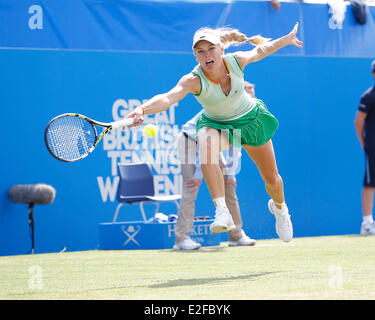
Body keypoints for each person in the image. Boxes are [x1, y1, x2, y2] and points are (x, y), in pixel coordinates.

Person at [126, 23, 303, 242]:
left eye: (211, 48)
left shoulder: (236, 61)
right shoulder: (193, 80)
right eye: (200, 51)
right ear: (195, 55)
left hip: (250, 120)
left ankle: (281, 209)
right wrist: (142, 109)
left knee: (273, 180)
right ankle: (221, 211)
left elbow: (260, 50)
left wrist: (285, 40)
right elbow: (168, 97)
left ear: (221, 48)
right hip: (217, 124)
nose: (207, 55)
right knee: (206, 142)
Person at [174, 82, 257, 250]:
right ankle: (181, 239)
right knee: (191, 188)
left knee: (229, 186)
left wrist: (231, 174)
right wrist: (198, 175)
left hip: (211, 144)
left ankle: (236, 234)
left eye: (252, 94)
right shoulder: (220, 108)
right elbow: (202, 142)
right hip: (190, 141)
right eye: (246, 92)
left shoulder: (244, 112)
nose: (250, 96)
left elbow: (236, 143)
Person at [354, 60, 375, 235]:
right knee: (370, 183)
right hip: (373, 147)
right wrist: (364, 143)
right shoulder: (369, 96)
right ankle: (367, 223)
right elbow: (358, 122)